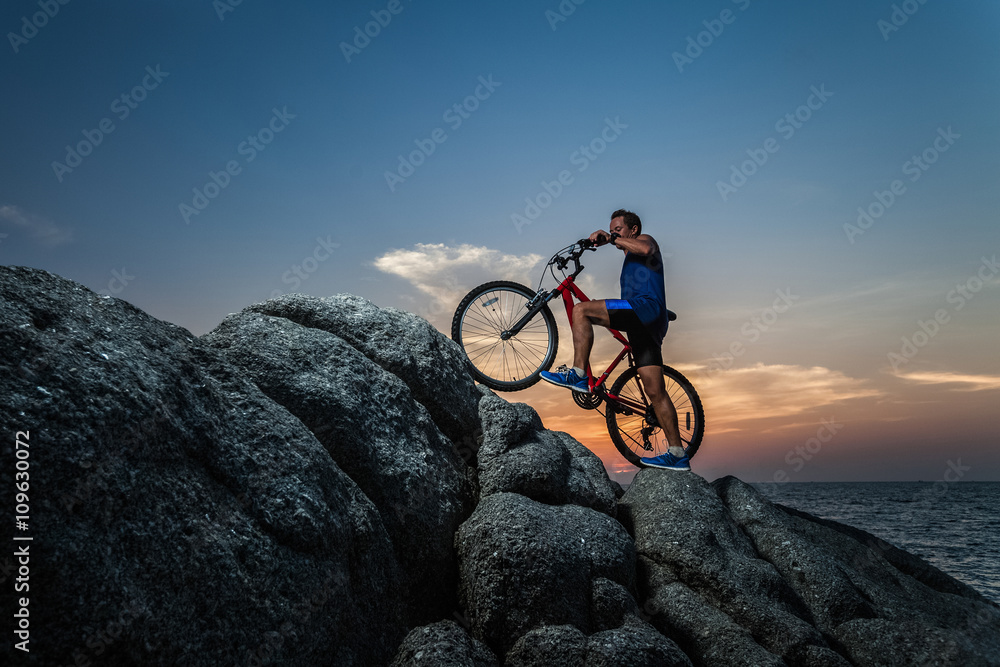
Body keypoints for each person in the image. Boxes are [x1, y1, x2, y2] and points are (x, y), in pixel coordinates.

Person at [539, 209, 689, 470]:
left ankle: (577, 374)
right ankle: (677, 454)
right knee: (655, 391)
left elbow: (645, 249)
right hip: (646, 323)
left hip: (645, 308)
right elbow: (628, 250)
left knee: (582, 310)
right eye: (613, 229)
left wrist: (610, 239)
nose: (614, 232)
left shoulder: (646, 240)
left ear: (633, 229)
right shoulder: (628, 255)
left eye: (618, 228)